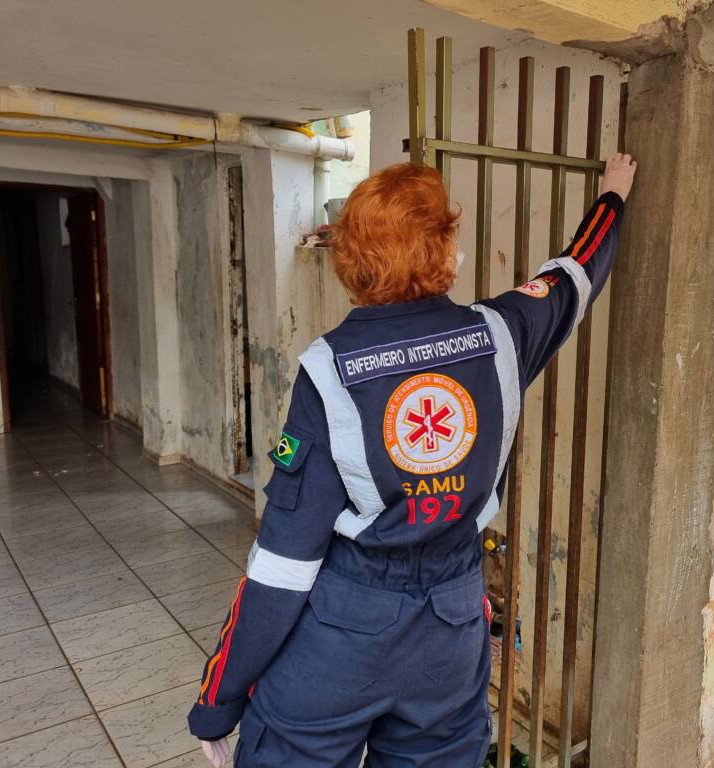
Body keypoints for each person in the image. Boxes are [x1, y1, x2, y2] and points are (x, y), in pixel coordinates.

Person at [188, 152, 636, 767]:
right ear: (445, 253)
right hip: (451, 634)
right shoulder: (502, 335)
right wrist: (612, 198)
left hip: (344, 636)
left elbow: (285, 562)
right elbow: (573, 276)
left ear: (350, 265)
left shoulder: (328, 368)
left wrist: (221, 695)